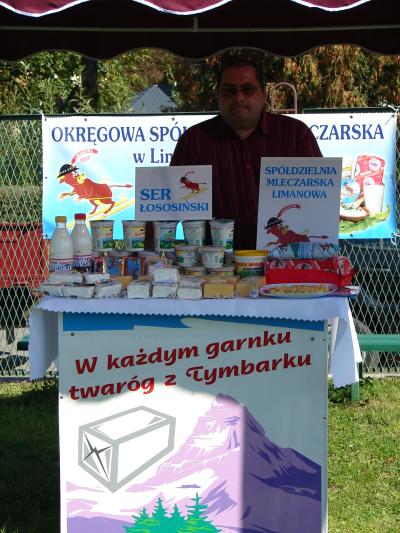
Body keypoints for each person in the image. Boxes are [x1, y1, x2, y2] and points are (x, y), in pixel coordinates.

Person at [170, 57, 322, 249]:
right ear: (218, 96)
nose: (239, 98)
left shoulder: (296, 135)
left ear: (264, 94)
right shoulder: (194, 141)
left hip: (286, 258)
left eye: (248, 89)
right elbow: (168, 208)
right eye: (229, 91)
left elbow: (321, 200)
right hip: (215, 263)